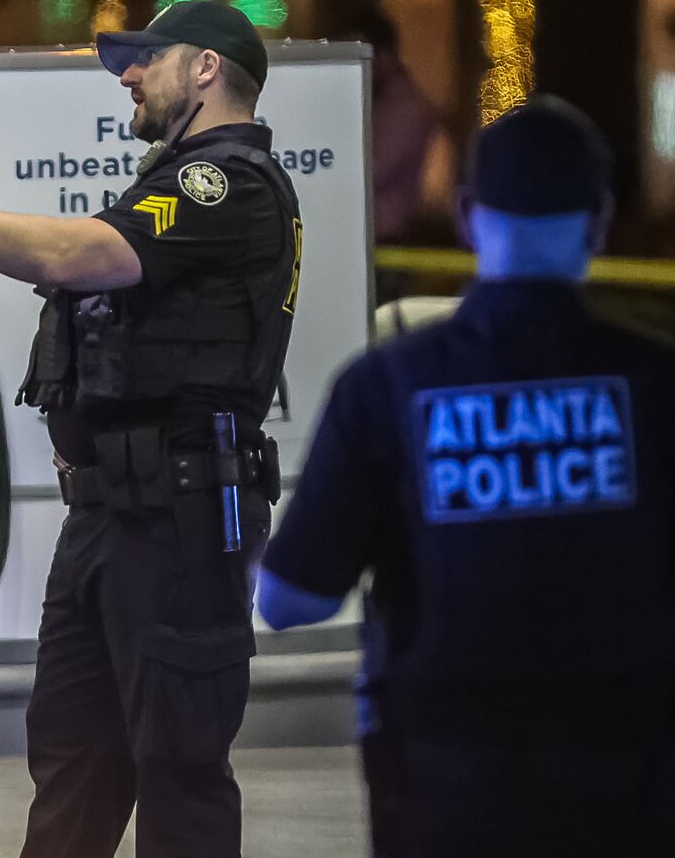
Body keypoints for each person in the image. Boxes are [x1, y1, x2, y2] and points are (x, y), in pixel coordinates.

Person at [0, 1, 301, 857]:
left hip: (178, 518)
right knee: (73, 759)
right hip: (110, 519)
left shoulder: (224, 182)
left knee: (178, 767)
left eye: (145, 59)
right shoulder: (172, 175)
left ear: (205, 68)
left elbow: (74, 255)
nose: (126, 75)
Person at [258, 95, 675, 856]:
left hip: (443, 781)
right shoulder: (654, 380)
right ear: (601, 221)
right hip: (630, 780)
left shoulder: (387, 385)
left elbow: (294, 598)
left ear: (465, 215)